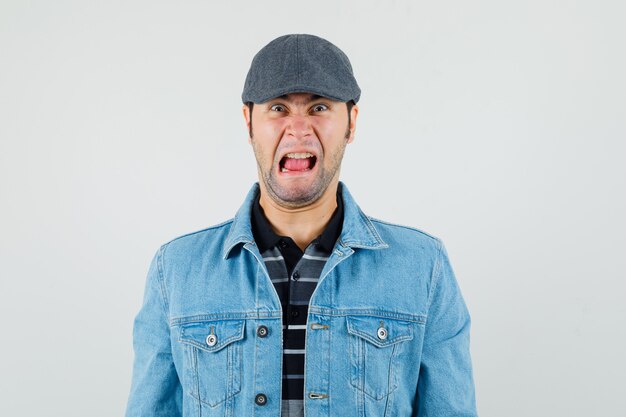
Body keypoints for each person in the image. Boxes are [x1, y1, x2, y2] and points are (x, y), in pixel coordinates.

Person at [125, 34, 478, 417]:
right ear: (248, 123)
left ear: (351, 123)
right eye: (278, 108)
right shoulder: (176, 270)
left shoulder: (423, 267)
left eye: (319, 107)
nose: (298, 129)